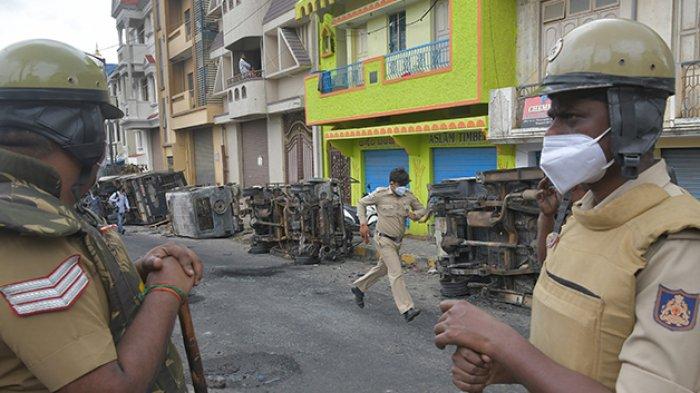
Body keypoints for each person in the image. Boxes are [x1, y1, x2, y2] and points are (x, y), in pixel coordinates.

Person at [434, 19, 700, 393]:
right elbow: (575, 348)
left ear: (633, 123)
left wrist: (503, 342)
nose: (552, 134)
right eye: (552, 117)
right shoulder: (586, 212)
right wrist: (504, 368)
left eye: (571, 117)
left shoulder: (676, 243)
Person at [0, 39, 204, 392]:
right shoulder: (22, 231)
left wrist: (134, 274)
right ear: (87, 137)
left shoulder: (39, 205)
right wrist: (166, 290)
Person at [351, 167, 427, 322]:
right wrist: (363, 224)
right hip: (383, 239)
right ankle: (407, 308)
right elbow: (361, 203)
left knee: (383, 268)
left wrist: (415, 215)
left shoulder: (408, 196)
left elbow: (422, 209)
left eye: (405, 185)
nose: (403, 188)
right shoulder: (380, 195)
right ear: (392, 184)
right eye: (401, 185)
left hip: (397, 241)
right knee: (396, 272)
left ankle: (358, 287)